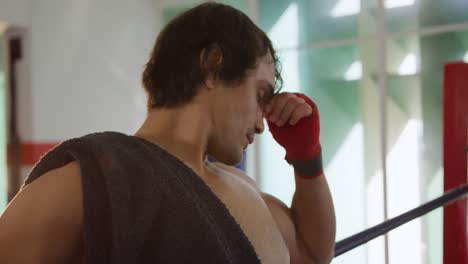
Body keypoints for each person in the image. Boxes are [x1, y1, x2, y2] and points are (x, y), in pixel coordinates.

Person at [0, 2, 335, 264]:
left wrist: (306, 157)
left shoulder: (242, 188)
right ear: (213, 65)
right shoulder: (96, 179)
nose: (262, 123)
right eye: (260, 94)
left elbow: (312, 253)